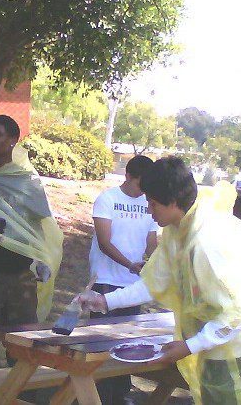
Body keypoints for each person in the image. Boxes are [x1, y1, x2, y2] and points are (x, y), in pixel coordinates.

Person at [77, 157, 241, 405]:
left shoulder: (207, 241)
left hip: (237, 348)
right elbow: (154, 282)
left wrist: (191, 345)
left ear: (172, 201)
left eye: (152, 203)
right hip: (215, 342)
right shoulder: (178, 227)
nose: (149, 211)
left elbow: (237, 313)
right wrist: (104, 301)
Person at [0, 115, 63, 371]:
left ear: (13, 140)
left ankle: (21, 395)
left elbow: (39, 227)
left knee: (23, 342)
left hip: (20, 273)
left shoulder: (27, 181)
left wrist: (42, 260)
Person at [88, 154, 158, 404]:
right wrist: (130, 264)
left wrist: (156, 263)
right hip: (106, 280)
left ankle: (118, 393)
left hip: (133, 286)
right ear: (128, 176)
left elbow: (152, 242)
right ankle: (94, 393)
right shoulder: (107, 199)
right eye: (140, 184)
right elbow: (105, 242)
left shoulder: (150, 203)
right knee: (101, 343)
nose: (144, 191)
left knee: (127, 343)